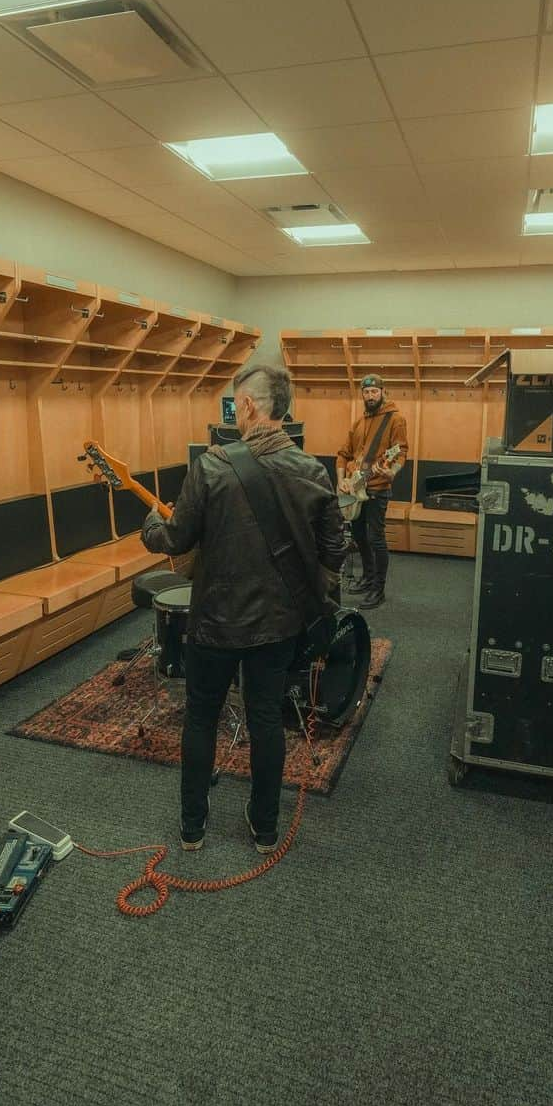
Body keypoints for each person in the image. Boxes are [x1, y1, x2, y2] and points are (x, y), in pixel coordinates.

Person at [142, 364, 345, 855]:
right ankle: (265, 829)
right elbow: (335, 551)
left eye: (235, 405)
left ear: (250, 406)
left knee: (200, 718)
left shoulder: (211, 466)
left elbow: (175, 538)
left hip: (214, 622)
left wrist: (151, 522)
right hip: (279, 626)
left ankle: (192, 829)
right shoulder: (313, 471)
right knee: (266, 720)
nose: (233, 414)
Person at [336, 374, 408, 609]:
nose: (370, 396)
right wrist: (341, 481)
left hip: (377, 489)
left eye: (374, 392)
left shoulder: (395, 419)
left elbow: (401, 452)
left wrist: (392, 471)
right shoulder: (359, 422)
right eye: (366, 393)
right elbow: (343, 453)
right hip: (355, 490)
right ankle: (367, 578)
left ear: (383, 392)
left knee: (376, 539)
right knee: (359, 536)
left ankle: (379, 589)